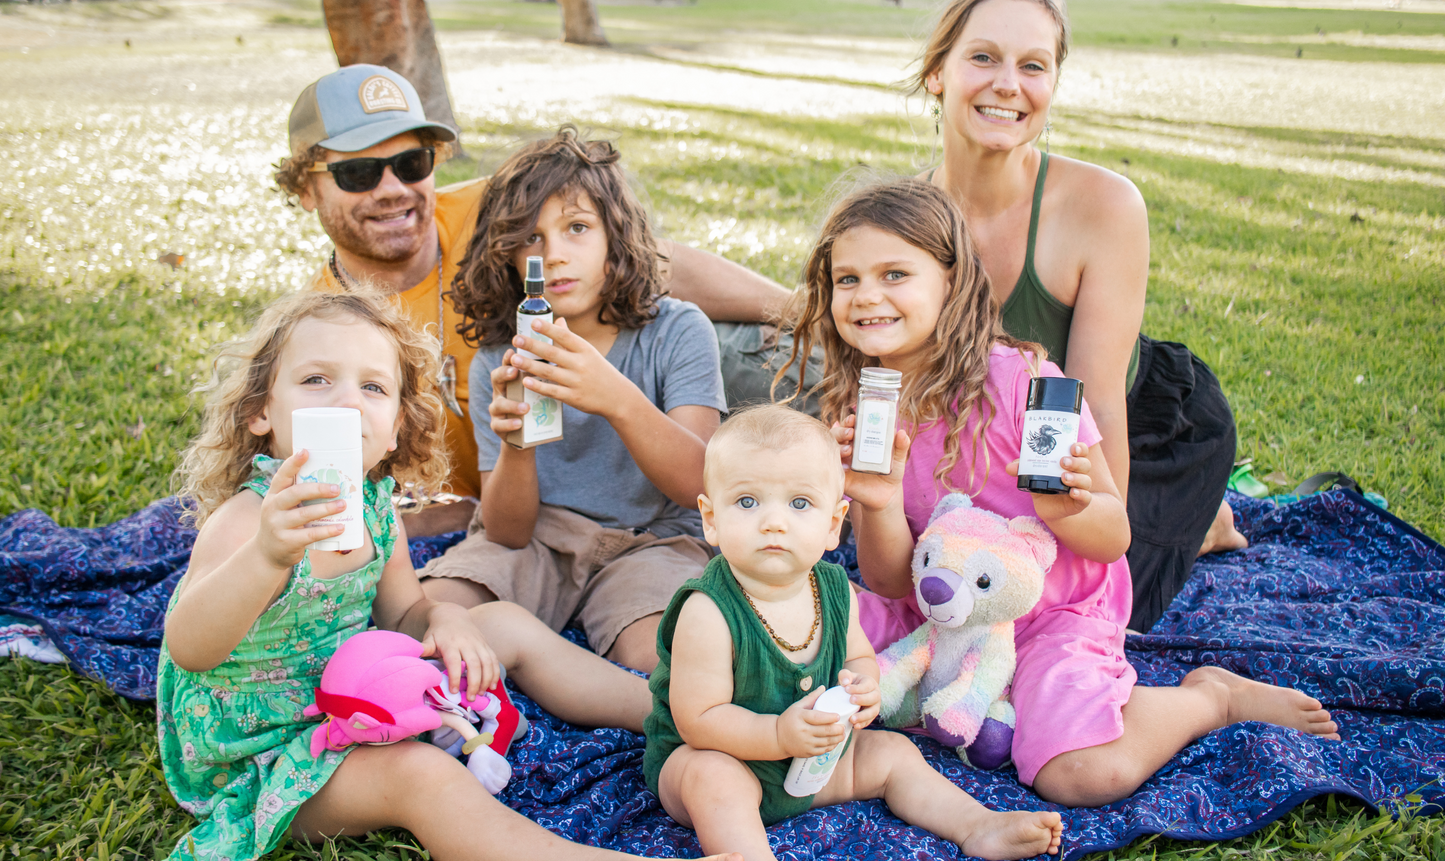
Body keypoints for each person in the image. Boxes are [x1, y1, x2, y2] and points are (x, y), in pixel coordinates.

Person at [781, 177, 1339, 808]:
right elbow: (888, 582)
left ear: (952, 280)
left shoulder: (1024, 382)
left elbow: (1114, 537)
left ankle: (1209, 697)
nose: (866, 296)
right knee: (783, 638)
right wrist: (877, 502)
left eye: (894, 274)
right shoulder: (868, 408)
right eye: (847, 279)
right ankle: (987, 696)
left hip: (1053, 613)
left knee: (1080, 775)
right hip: (938, 614)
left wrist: (1065, 507)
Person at [158, 288, 708, 861]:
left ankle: (680, 710)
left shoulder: (374, 507)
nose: (347, 401)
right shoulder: (247, 521)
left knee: (500, 624)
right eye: (318, 380)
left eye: (372, 387)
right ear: (260, 412)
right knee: (421, 777)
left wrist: (442, 617)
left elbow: (403, 612)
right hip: (266, 750)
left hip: (355, 691)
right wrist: (267, 556)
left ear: (395, 428)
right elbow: (190, 647)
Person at [273, 65, 807, 536]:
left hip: (667, 368)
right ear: (305, 188)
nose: (392, 189)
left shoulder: (502, 211)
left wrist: (802, 311)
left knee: (824, 385)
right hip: (541, 485)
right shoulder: (320, 332)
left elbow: (649, 259)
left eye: (412, 163)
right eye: (358, 173)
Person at [912, 0, 1245, 633]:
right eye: (982, 57)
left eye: (1032, 65)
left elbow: (1094, 403)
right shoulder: (902, 218)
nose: (1008, 83)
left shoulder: (1103, 205)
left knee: (1079, 619)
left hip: (1143, 427)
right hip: (1003, 443)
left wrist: (1108, 527)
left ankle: (1200, 520)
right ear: (936, 73)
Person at [643, 404, 1064, 861]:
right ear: (711, 518)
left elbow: (859, 659)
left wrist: (864, 689)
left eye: (799, 503)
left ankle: (976, 825)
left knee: (892, 753)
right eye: (747, 502)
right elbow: (699, 720)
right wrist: (779, 737)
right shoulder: (708, 610)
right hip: (726, 759)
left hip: (813, 764)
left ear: (832, 524)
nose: (774, 522)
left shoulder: (834, 588)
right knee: (710, 778)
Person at [415, 129, 725, 674]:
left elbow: (703, 485)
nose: (553, 256)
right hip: (539, 540)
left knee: (667, 662)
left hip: (651, 542)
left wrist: (617, 399)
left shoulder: (677, 330)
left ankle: (550, 661)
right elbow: (507, 531)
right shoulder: (499, 357)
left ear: (615, 237)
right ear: (507, 256)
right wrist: (516, 447)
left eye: (577, 228)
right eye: (531, 238)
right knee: (433, 618)